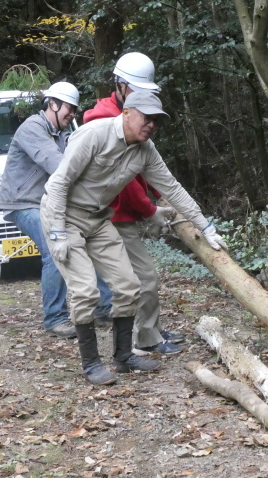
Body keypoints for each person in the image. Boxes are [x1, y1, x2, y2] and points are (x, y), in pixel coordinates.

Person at [40, 90, 227, 385]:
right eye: (146, 117)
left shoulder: (145, 151)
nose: (151, 125)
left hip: (98, 219)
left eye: (156, 121)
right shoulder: (94, 134)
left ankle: (123, 357)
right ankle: (91, 364)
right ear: (127, 112)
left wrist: (206, 227)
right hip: (64, 215)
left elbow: (172, 188)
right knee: (86, 291)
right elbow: (60, 182)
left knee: (129, 286)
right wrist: (58, 232)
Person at [83, 52, 184, 356]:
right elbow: (123, 181)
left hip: (122, 212)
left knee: (141, 277)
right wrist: (150, 210)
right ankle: (144, 340)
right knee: (143, 278)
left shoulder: (137, 116)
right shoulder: (102, 119)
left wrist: (160, 195)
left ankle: (148, 330)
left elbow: (146, 163)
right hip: (110, 215)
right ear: (122, 86)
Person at [0, 81, 112, 339]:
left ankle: (106, 308)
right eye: (68, 109)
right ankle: (55, 317)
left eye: (74, 110)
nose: (71, 114)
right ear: (52, 104)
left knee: (85, 240)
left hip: (51, 203)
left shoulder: (62, 131)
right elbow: (59, 166)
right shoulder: (33, 128)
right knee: (55, 248)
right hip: (23, 203)